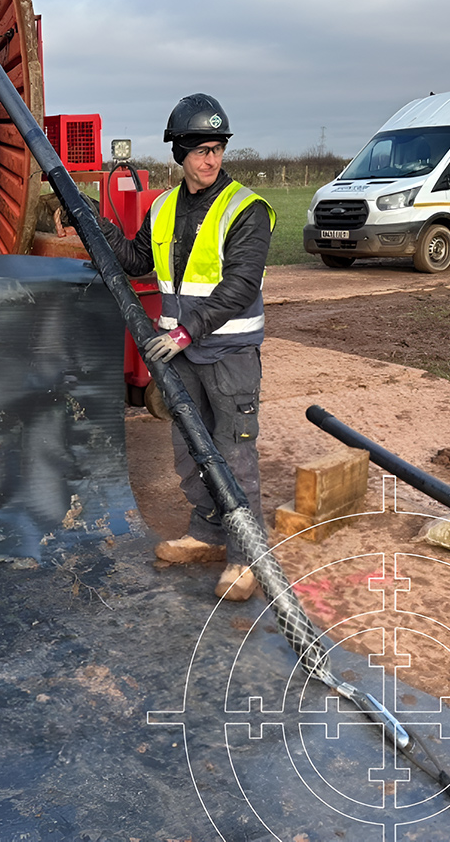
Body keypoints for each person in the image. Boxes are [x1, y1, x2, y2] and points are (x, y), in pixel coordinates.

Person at [97, 93, 275, 600]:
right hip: (183, 357)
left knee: (233, 453)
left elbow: (239, 285)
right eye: (199, 149)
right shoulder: (165, 207)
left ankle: (246, 557)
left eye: (217, 148)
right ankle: (207, 534)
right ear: (179, 153)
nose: (210, 158)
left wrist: (182, 332)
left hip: (228, 355)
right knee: (190, 450)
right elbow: (135, 261)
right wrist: (98, 223)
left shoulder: (246, 209)